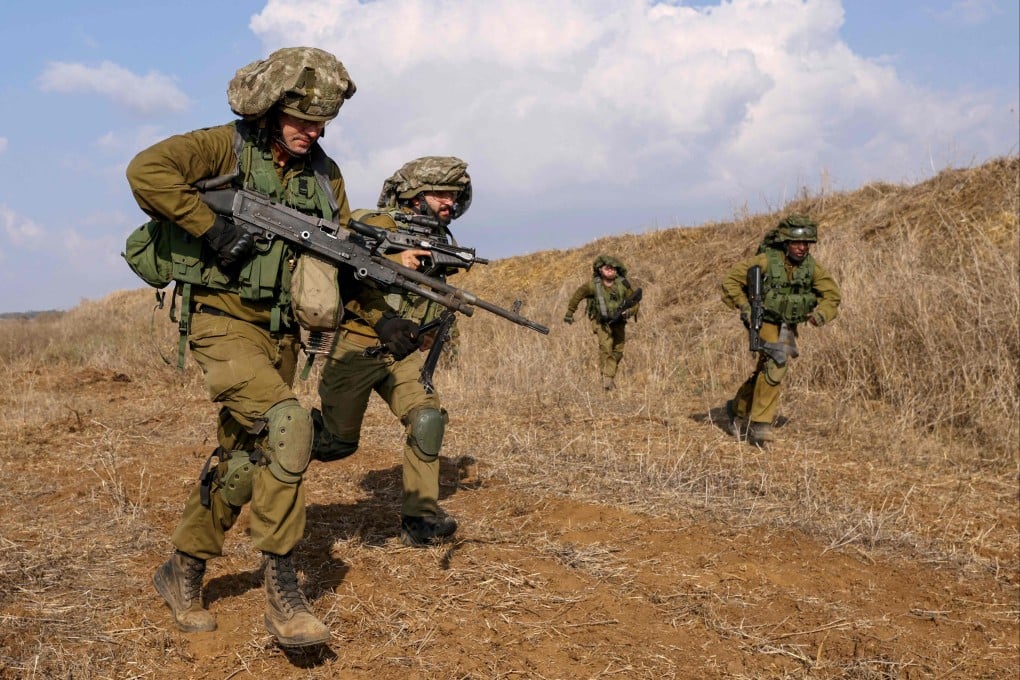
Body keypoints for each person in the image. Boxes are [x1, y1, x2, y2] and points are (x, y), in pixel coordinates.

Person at [126, 47, 415, 648]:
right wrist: (214, 230)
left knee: (243, 460)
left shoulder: (325, 176)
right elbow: (146, 171)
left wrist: (383, 317)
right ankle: (283, 591)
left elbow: (345, 259)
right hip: (222, 321)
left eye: (322, 123)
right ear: (270, 110)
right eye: (303, 120)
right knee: (289, 424)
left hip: (282, 334)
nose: (314, 133)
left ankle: (182, 568)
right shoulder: (221, 147)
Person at [312, 156, 472, 547]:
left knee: (427, 418)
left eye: (454, 195)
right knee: (335, 444)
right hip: (357, 347)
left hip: (401, 355)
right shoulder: (373, 224)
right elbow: (342, 271)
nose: (449, 202)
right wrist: (392, 262)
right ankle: (266, 451)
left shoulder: (437, 241)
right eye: (440, 193)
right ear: (414, 196)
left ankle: (420, 518)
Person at [720, 215, 841, 446]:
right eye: (797, 243)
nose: (802, 248)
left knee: (766, 370)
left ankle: (737, 409)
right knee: (776, 363)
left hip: (787, 325)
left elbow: (832, 294)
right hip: (764, 320)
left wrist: (820, 315)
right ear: (785, 242)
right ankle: (760, 425)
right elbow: (730, 281)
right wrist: (746, 307)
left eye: (806, 243)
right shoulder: (766, 260)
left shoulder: (811, 267)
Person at [562, 255, 641, 390]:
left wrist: (628, 312)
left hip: (619, 322)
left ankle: (607, 375)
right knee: (606, 347)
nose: (610, 270)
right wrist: (570, 312)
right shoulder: (593, 285)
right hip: (601, 323)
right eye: (607, 268)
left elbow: (635, 302)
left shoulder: (623, 284)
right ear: (600, 270)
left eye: (612, 268)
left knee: (618, 351)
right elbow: (578, 295)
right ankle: (607, 380)